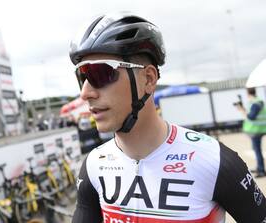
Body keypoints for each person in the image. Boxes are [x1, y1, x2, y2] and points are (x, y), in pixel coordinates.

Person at [69, 13, 266, 222]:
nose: (85, 93)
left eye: (99, 74)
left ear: (149, 79)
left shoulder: (214, 161)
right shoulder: (93, 165)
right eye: (82, 77)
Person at [236, 87, 266, 178]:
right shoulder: (258, 101)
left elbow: (251, 117)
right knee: (256, 149)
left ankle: (261, 170)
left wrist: (242, 110)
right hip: (259, 129)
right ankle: (259, 167)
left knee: (257, 150)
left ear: (248, 93)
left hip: (256, 130)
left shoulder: (255, 103)